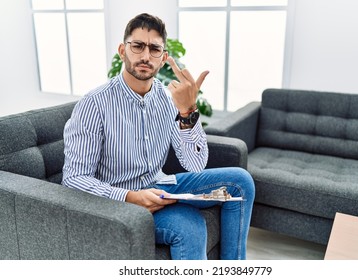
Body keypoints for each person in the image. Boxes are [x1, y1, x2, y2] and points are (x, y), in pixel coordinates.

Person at [62, 13, 255, 260]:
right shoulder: (94, 104)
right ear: (123, 50)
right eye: (138, 46)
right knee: (190, 227)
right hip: (119, 201)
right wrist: (129, 197)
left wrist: (188, 111)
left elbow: (194, 165)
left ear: (163, 58)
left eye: (154, 49)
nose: (145, 56)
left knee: (241, 182)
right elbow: (74, 179)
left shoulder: (167, 99)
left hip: (160, 186)